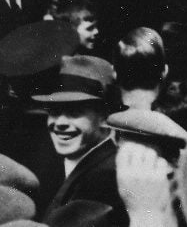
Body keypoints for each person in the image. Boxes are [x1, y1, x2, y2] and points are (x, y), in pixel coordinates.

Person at [32, 55, 127, 225]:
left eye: (74, 112)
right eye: (54, 112)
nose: (59, 123)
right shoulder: (49, 162)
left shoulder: (111, 179)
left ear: (105, 117)